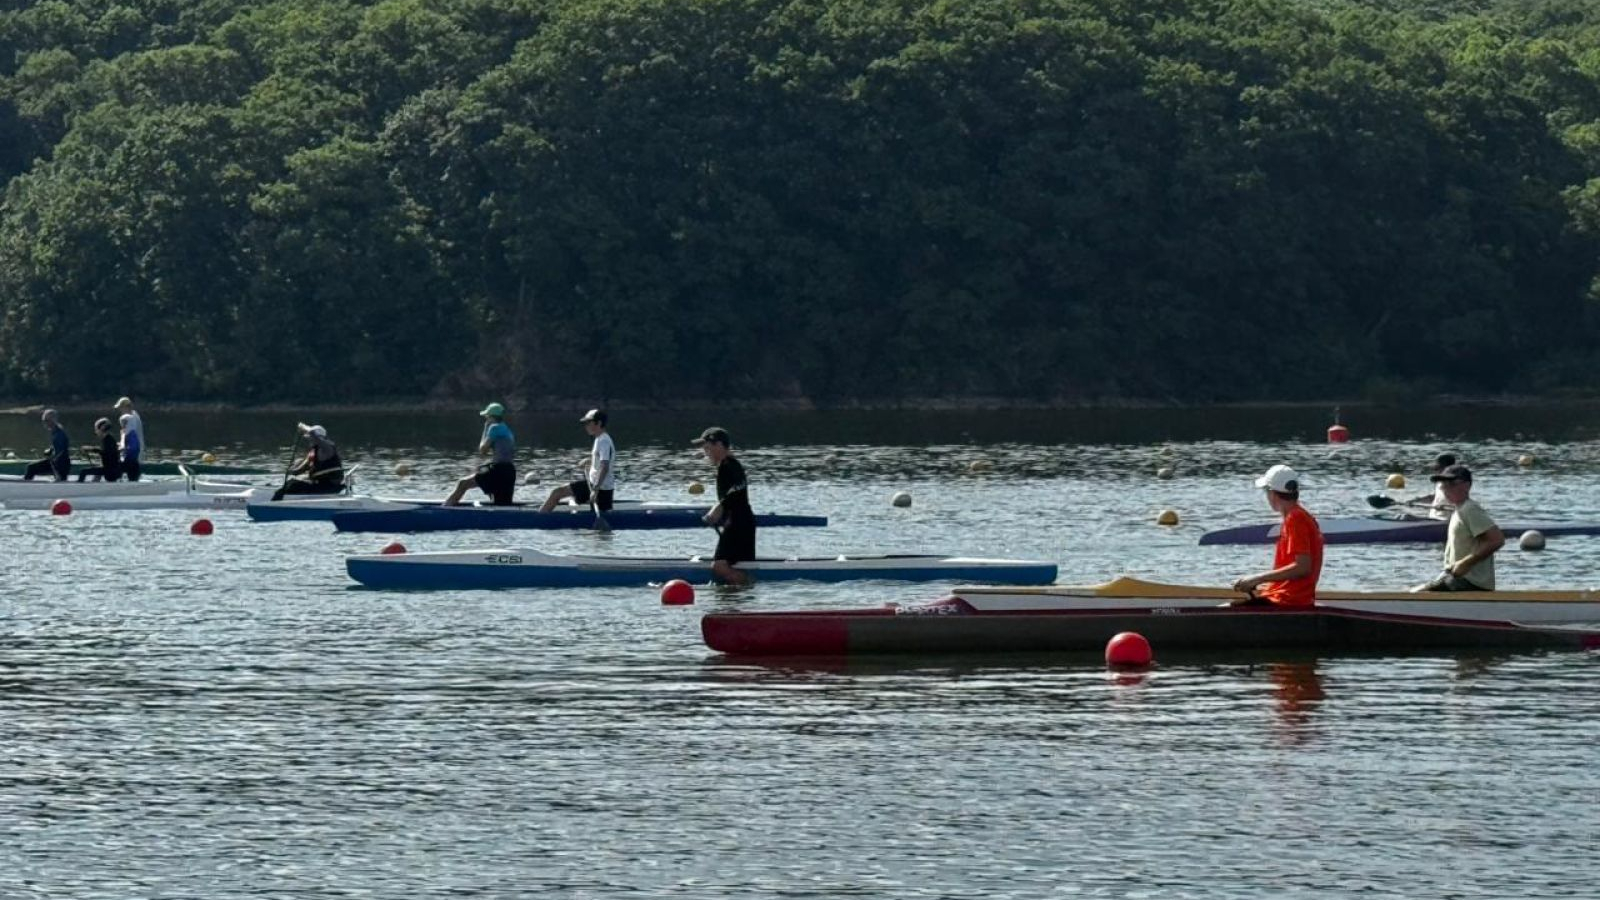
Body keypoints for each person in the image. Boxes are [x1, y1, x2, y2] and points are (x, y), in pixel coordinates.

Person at [1230, 464, 1323, 606]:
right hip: (1290, 598)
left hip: (1287, 601)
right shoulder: (1302, 516)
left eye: (1266, 492)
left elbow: (1303, 567)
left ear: (1272, 494)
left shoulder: (1295, 518)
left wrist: (1256, 579)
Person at [1415, 464, 1504, 592]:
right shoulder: (1459, 510)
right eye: (1443, 485)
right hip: (1457, 578)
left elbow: (1496, 540)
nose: (1446, 489)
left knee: (1419, 593)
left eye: (1452, 484)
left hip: (1471, 582)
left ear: (1467, 486)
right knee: (1415, 590)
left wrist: (1465, 563)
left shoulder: (1470, 509)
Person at [693, 426, 755, 585]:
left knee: (719, 567)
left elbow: (736, 489)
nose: (705, 452)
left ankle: (750, 584)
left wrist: (717, 509)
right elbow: (734, 493)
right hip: (739, 521)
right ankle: (740, 595)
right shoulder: (727, 465)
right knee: (734, 564)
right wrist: (720, 509)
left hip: (738, 523)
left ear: (719, 445)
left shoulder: (729, 465)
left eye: (707, 447)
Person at [540, 409, 616, 513]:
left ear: (599, 423)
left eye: (588, 423)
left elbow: (605, 467)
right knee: (565, 495)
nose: (586, 426)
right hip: (595, 486)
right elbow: (602, 460)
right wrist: (590, 461)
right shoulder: (600, 439)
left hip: (599, 490)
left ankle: (539, 520)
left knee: (556, 493)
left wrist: (595, 490)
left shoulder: (603, 441)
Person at [444, 402, 516, 506]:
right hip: (509, 471)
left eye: (486, 416)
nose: (486, 419)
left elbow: (482, 450)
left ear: (491, 417)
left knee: (463, 483)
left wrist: (485, 428)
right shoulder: (507, 430)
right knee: (501, 504)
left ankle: (445, 509)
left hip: (498, 470)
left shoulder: (494, 427)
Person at [271, 423, 346, 501]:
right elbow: (298, 471)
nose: (309, 440)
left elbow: (314, 435)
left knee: (294, 485)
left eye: (310, 438)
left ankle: (277, 502)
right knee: (291, 483)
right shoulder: (312, 453)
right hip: (319, 484)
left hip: (330, 485)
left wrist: (303, 427)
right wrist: (292, 469)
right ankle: (278, 498)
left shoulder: (327, 448)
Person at [23, 409, 72, 481]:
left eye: (46, 420)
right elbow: (58, 447)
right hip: (57, 463)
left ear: (53, 420)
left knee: (31, 468)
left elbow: (61, 451)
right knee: (31, 467)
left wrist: (52, 458)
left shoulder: (59, 434)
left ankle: (25, 486)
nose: (44, 423)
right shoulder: (55, 432)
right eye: (43, 421)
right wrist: (50, 450)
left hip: (61, 465)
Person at [76, 418, 123, 482]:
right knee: (96, 472)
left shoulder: (108, 440)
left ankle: (78, 488)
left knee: (83, 472)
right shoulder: (108, 439)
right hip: (110, 469)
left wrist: (91, 449)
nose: (96, 432)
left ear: (102, 429)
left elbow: (106, 453)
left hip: (111, 471)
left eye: (96, 429)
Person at [114, 396, 144, 482]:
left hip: (135, 451)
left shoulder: (129, 418)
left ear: (126, 407)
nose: (120, 410)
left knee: (130, 471)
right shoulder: (134, 415)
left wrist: (122, 444)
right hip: (135, 448)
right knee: (133, 473)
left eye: (121, 408)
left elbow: (127, 434)